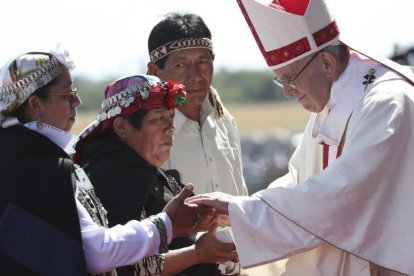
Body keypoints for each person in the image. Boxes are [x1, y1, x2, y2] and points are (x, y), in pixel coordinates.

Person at [187, 0, 414, 275]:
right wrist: (235, 226)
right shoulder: (331, 98)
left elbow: (339, 199)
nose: (287, 92)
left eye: (289, 79)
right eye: (280, 80)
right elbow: (300, 182)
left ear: (327, 63)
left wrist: (243, 212)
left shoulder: (387, 103)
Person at [0, 47, 205, 275]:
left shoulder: (22, 155)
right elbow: (98, 253)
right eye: (67, 94)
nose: (77, 101)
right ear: (36, 104)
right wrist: (167, 225)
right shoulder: (40, 168)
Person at [74, 74, 237, 276]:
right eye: (159, 118)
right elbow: (124, 267)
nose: (170, 128)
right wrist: (199, 253)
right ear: (122, 127)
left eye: (171, 117)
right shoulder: (115, 175)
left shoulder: (141, 168)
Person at [147, 12, 248, 198]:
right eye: (181, 65)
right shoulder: (146, 134)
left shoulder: (224, 121)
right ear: (154, 71)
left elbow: (240, 196)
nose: (195, 75)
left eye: (203, 62)